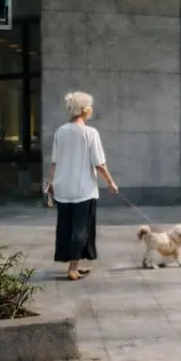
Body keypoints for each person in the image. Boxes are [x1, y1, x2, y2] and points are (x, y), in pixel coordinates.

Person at [45, 91, 118, 282]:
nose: (92, 109)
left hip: (63, 188)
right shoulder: (90, 133)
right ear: (85, 109)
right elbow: (99, 163)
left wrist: (49, 182)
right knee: (81, 228)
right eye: (90, 106)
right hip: (83, 189)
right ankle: (73, 268)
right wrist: (110, 182)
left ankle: (73, 263)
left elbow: (54, 161)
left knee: (66, 227)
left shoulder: (61, 131)